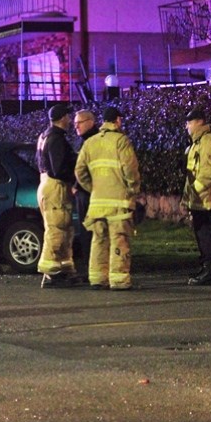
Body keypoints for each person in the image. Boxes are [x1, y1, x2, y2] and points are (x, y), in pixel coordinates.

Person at [74, 107, 141, 291]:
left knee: (98, 240)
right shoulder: (121, 141)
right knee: (119, 239)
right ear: (117, 121)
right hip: (118, 202)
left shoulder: (90, 143)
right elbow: (130, 169)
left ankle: (97, 278)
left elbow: (79, 171)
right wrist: (133, 189)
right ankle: (119, 280)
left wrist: (92, 188)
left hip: (97, 203)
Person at [181, 108, 211, 286]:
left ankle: (209, 271)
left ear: (199, 122)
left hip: (205, 198)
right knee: (201, 232)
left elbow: (209, 171)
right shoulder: (197, 142)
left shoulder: (207, 141)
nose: (187, 126)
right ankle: (205, 268)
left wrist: (196, 191)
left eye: (189, 122)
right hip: (198, 198)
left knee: (206, 233)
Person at [36, 104, 78, 288]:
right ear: (62, 118)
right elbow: (59, 168)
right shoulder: (57, 139)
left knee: (63, 229)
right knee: (56, 229)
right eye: (68, 116)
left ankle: (63, 270)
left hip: (47, 184)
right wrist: (74, 179)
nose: (70, 119)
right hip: (55, 186)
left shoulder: (45, 136)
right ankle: (51, 274)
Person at [72, 110, 99, 268]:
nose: (76, 126)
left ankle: (91, 266)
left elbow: (83, 170)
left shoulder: (91, 141)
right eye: (75, 123)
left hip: (88, 193)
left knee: (88, 231)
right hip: (86, 191)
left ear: (90, 121)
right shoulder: (84, 140)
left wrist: (79, 186)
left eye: (79, 123)